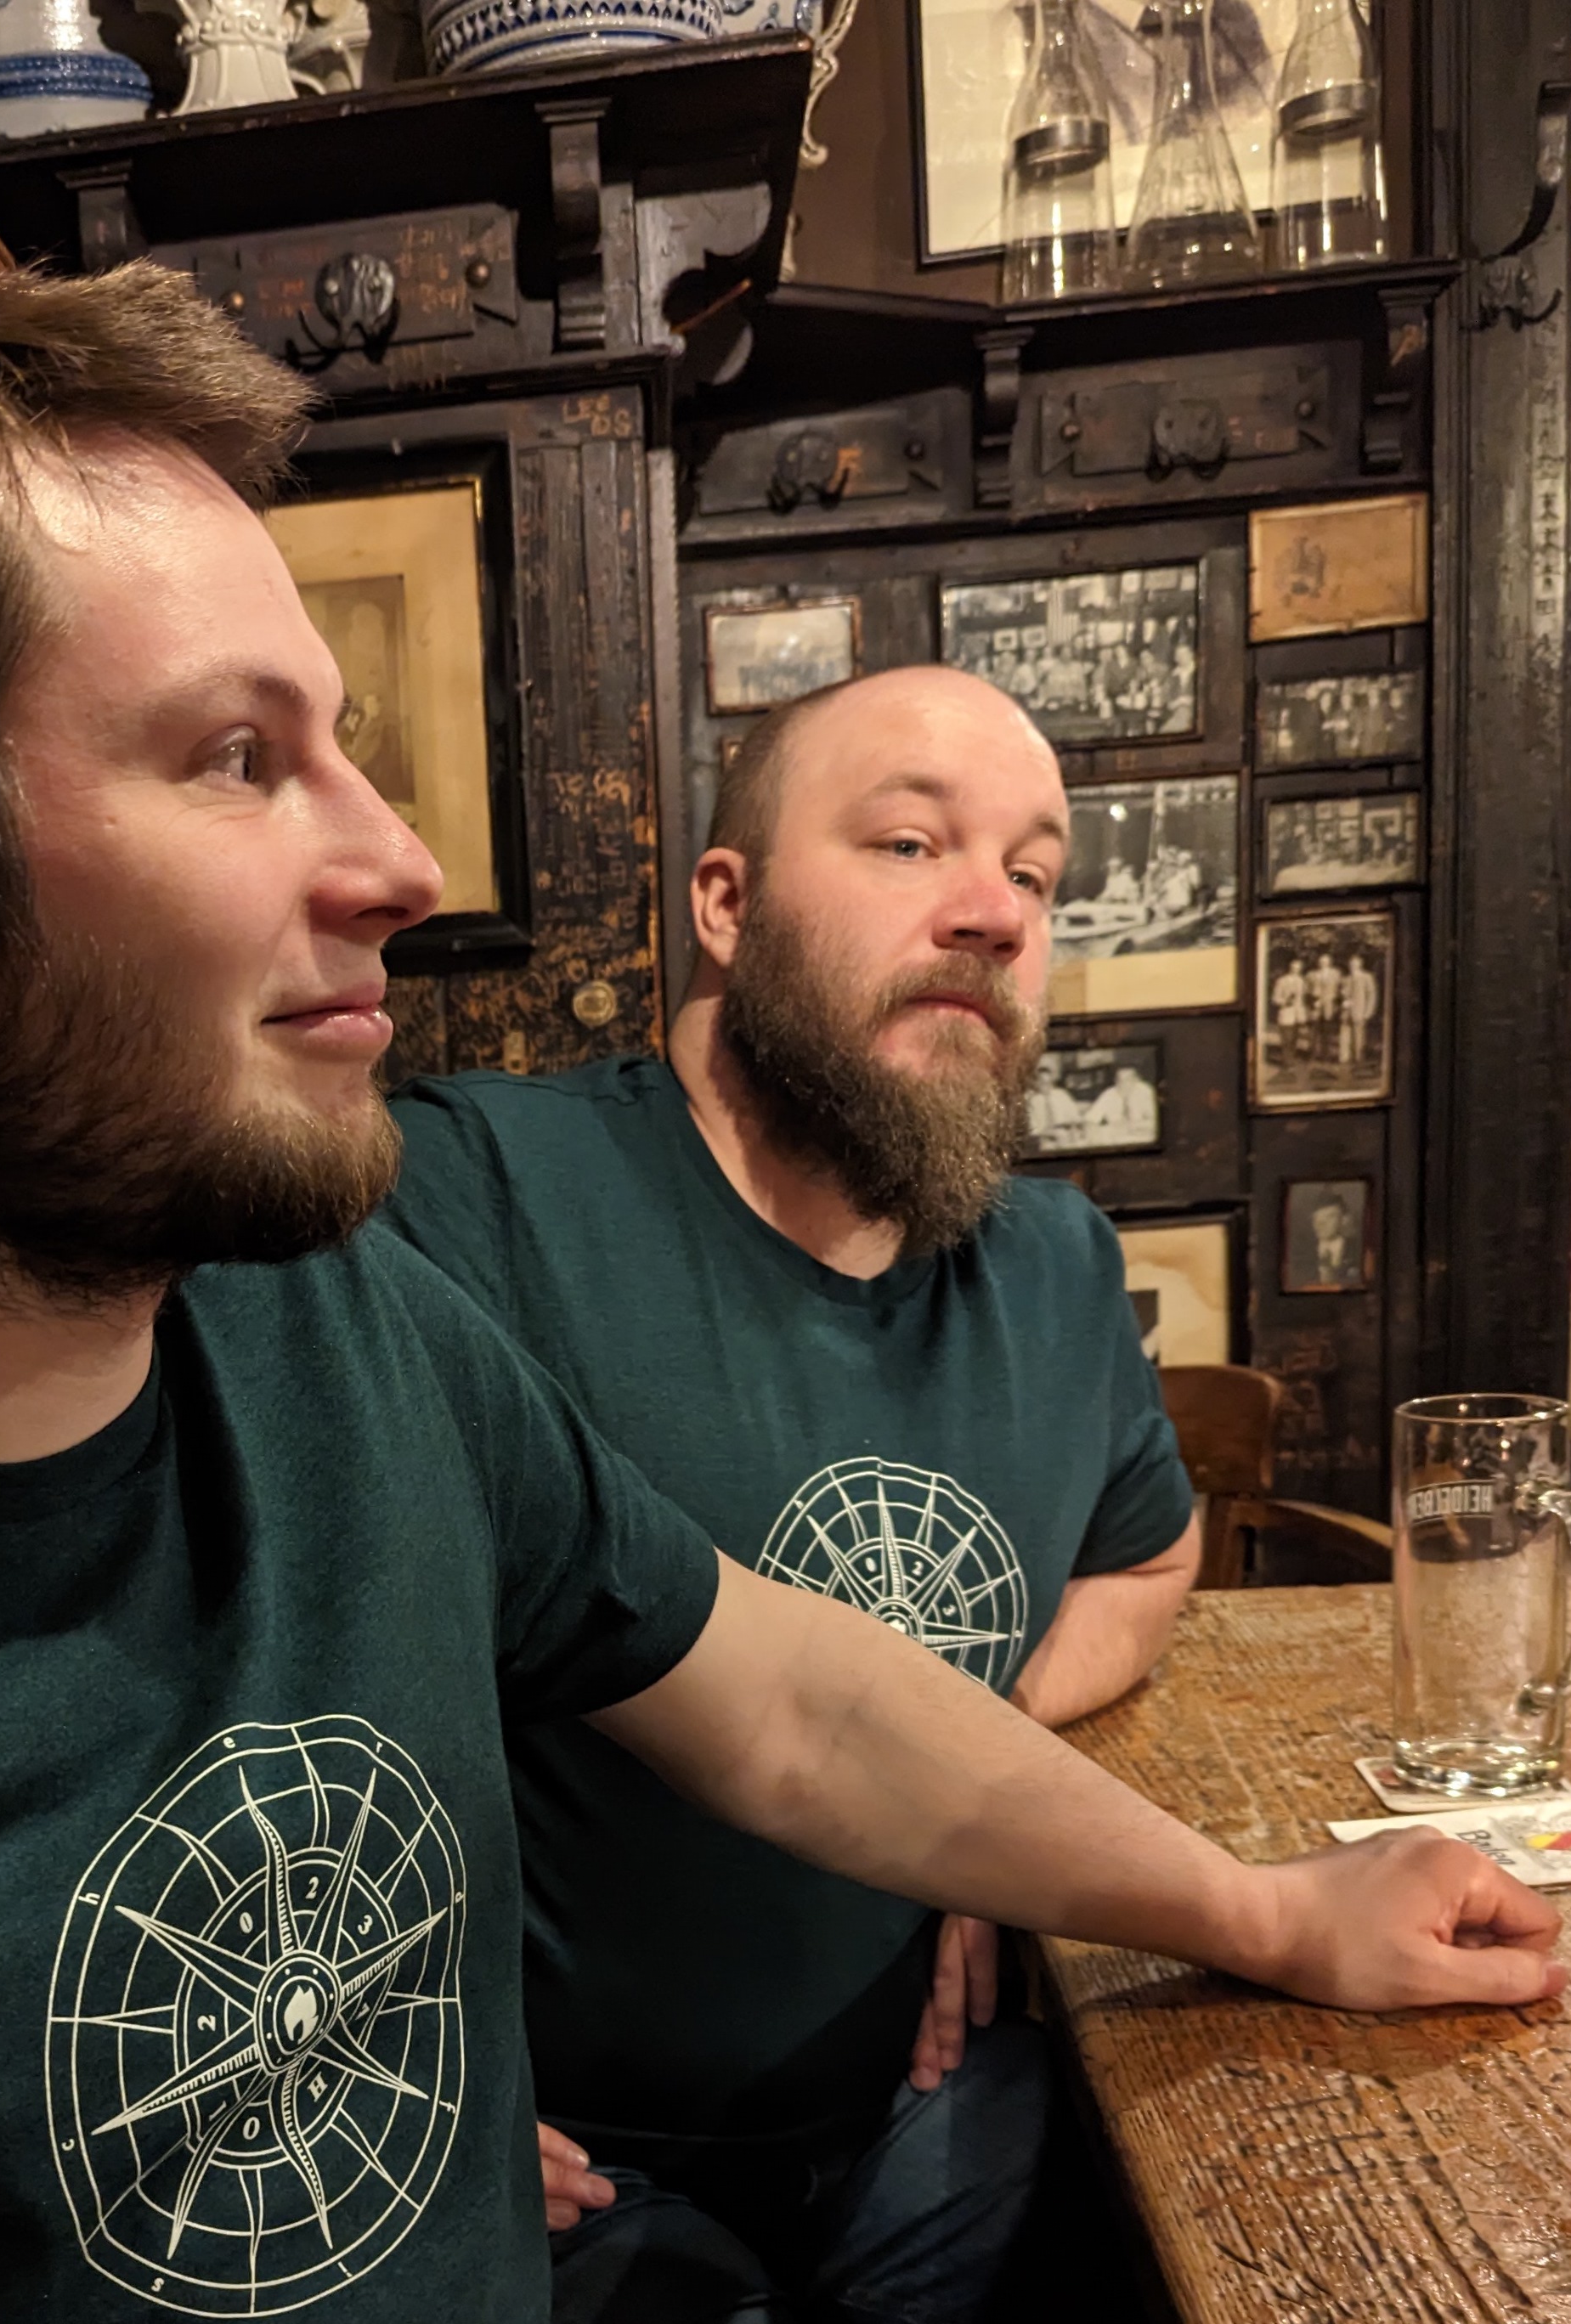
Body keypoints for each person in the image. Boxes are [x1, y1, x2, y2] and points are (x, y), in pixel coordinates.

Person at [0, 272, 1564, 2324]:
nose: (395, 857)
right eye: (239, 762)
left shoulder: (334, 1337)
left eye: (337, 749)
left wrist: (1263, 1911)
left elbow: (793, 1703)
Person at [376, 668, 1204, 2322]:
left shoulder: (1054, 1263)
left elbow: (1151, 1558)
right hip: (566, 2171)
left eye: (1037, 875)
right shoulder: (469, 1200)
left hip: (938, 2104)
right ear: (727, 904)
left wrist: (992, 1780)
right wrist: (391, 2080)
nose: (992, 914)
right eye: (910, 842)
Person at [1085, 1056, 1158, 1145]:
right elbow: (1089, 1120)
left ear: (1137, 1079)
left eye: (1128, 1080)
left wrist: (1134, 1126)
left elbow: (1158, 1121)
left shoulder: (1146, 1092)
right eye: (1119, 1080)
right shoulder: (1109, 1094)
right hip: (1116, 1142)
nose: (1123, 1084)